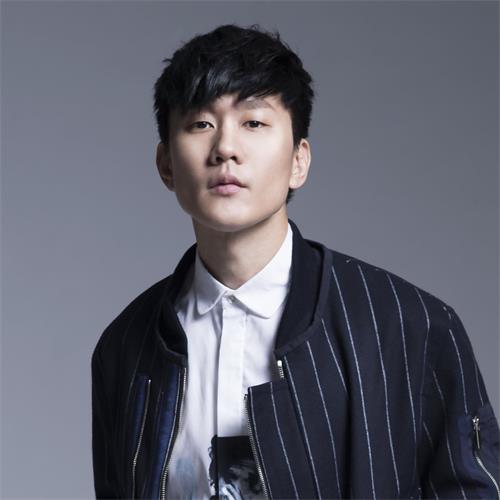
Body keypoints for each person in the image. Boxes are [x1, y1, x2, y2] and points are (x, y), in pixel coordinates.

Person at [91, 23, 499, 499]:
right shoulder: (126, 349)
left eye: (253, 123)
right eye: (201, 124)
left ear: (299, 161)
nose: (225, 149)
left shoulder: (410, 328)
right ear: (166, 165)